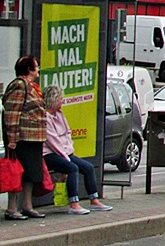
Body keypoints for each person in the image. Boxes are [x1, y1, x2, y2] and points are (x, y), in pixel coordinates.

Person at [41, 85, 112, 214]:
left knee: (88, 167)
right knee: (72, 168)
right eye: (60, 98)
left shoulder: (60, 114)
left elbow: (67, 132)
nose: (63, 101)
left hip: (65, 152)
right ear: (53, 99)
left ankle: (94, 201)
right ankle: (74, 204)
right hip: (50, 154)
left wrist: (69, 150)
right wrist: (66, 157)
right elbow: (52, 141)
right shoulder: (45, 117)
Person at [2, 55, 48, 220]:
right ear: (29, 69)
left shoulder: (32, 87)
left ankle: (27, 206)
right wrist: (12, 138)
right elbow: (12, 113)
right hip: (22, 138)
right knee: (17, 172)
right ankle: (12, 208)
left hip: (34, 138)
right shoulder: (19, 86)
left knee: (30, 173)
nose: (38, 69)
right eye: (36, 66)